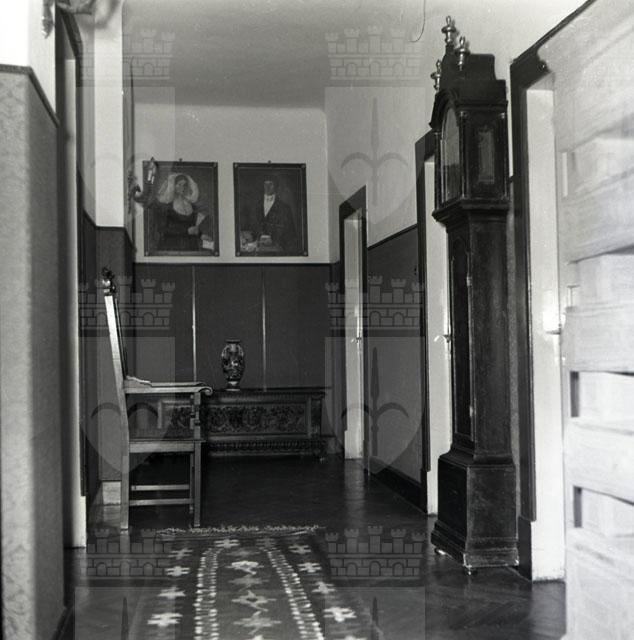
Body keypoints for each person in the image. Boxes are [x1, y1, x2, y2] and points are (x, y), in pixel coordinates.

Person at [151, 173, 211, 252]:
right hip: (172, 245)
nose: (182, 187)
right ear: (173, 186)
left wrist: (201, 235)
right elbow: (161, 229)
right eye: (179, 184)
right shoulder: (167, 206)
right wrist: (185, 231)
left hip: (190, 245)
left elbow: (192, 226)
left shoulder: (192, 206)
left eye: (184, 185)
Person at [242, 175, 297, 254]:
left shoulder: (285, 208)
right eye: (265, 184)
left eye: (271, 184)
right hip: (256, 250)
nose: (267, 187)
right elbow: (251, 228)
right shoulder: (255, 206)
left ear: (276, 186)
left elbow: (291, 234)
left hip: (278, 250)